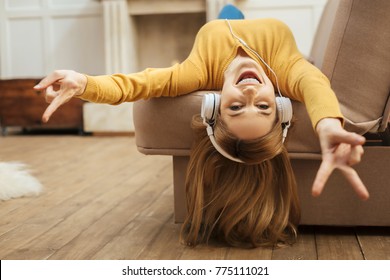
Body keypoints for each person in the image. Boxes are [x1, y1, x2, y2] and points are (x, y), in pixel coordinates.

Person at [34, 5, 368, 247]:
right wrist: (326, 125)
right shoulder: (287, 69)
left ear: (213, 103)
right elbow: (315, 84)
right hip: (240, 27)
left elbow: (138, 84)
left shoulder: (196, 73)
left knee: (226, 13)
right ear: (280, 104)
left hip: (220, 23)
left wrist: (84, 83)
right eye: (263, 106)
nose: (250, 92)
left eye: (236, 107)